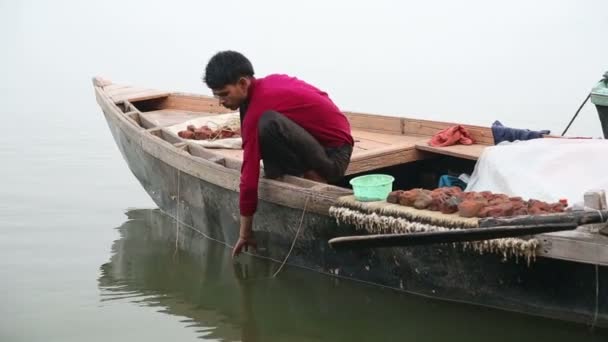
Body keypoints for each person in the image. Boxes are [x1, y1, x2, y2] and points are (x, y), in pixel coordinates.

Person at [203, 51, 354, 257]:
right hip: (323, 146)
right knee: (266, 124)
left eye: (223, 94)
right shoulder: (264, 86)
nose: (220, 101)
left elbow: (249, 173)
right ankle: (292, 173)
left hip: (334, 157)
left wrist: (245, 233)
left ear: (243, 83)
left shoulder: (258, 107)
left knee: (268, 123)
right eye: (216, 95)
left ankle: (313, 175)